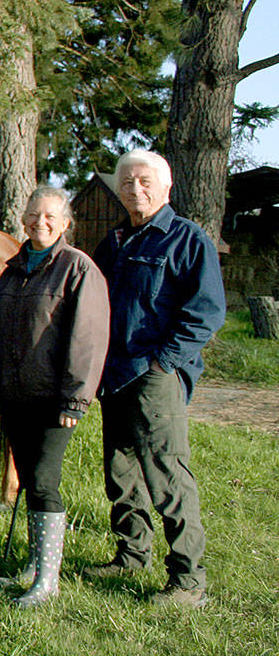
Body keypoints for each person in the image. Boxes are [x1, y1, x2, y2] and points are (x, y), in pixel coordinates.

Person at [86, 150, 226, 608]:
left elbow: (206, 312)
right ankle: (132, 553)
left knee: (166, 474)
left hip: (155, 375)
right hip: (115, 374)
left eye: (144, 181)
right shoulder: (116, 241)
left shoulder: (187, 240)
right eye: (126, 183)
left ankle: (188, 580)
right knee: (120, 472)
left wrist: (164, 363)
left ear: (166, 188)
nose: (134, 190)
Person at [0, 186, 109, 607]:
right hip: (15, 396)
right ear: (23, 219)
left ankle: (48, 580)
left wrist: (75, 399)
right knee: (28, 479)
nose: (39, 222)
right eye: (33, 215)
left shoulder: (77, 268)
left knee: (43, 481)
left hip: (53, 400)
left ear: (64, 223)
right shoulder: (13, 269)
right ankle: (34, 564)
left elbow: (87, 339)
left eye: (49, 216)